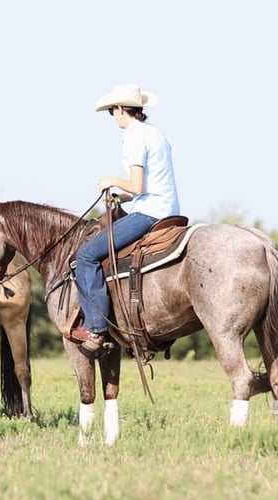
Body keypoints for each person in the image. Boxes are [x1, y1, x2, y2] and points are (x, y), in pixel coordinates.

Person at [75, 84, 181, 358]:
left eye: (113, 111)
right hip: (168, 209)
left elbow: (137, 184)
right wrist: (122, 198)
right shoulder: (156, 133)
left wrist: (111, 181)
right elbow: (145, 187)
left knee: (85, 255)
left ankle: (96, 329)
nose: (113, 117)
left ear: (122, 109)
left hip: (149, 212)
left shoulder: (134, 137)